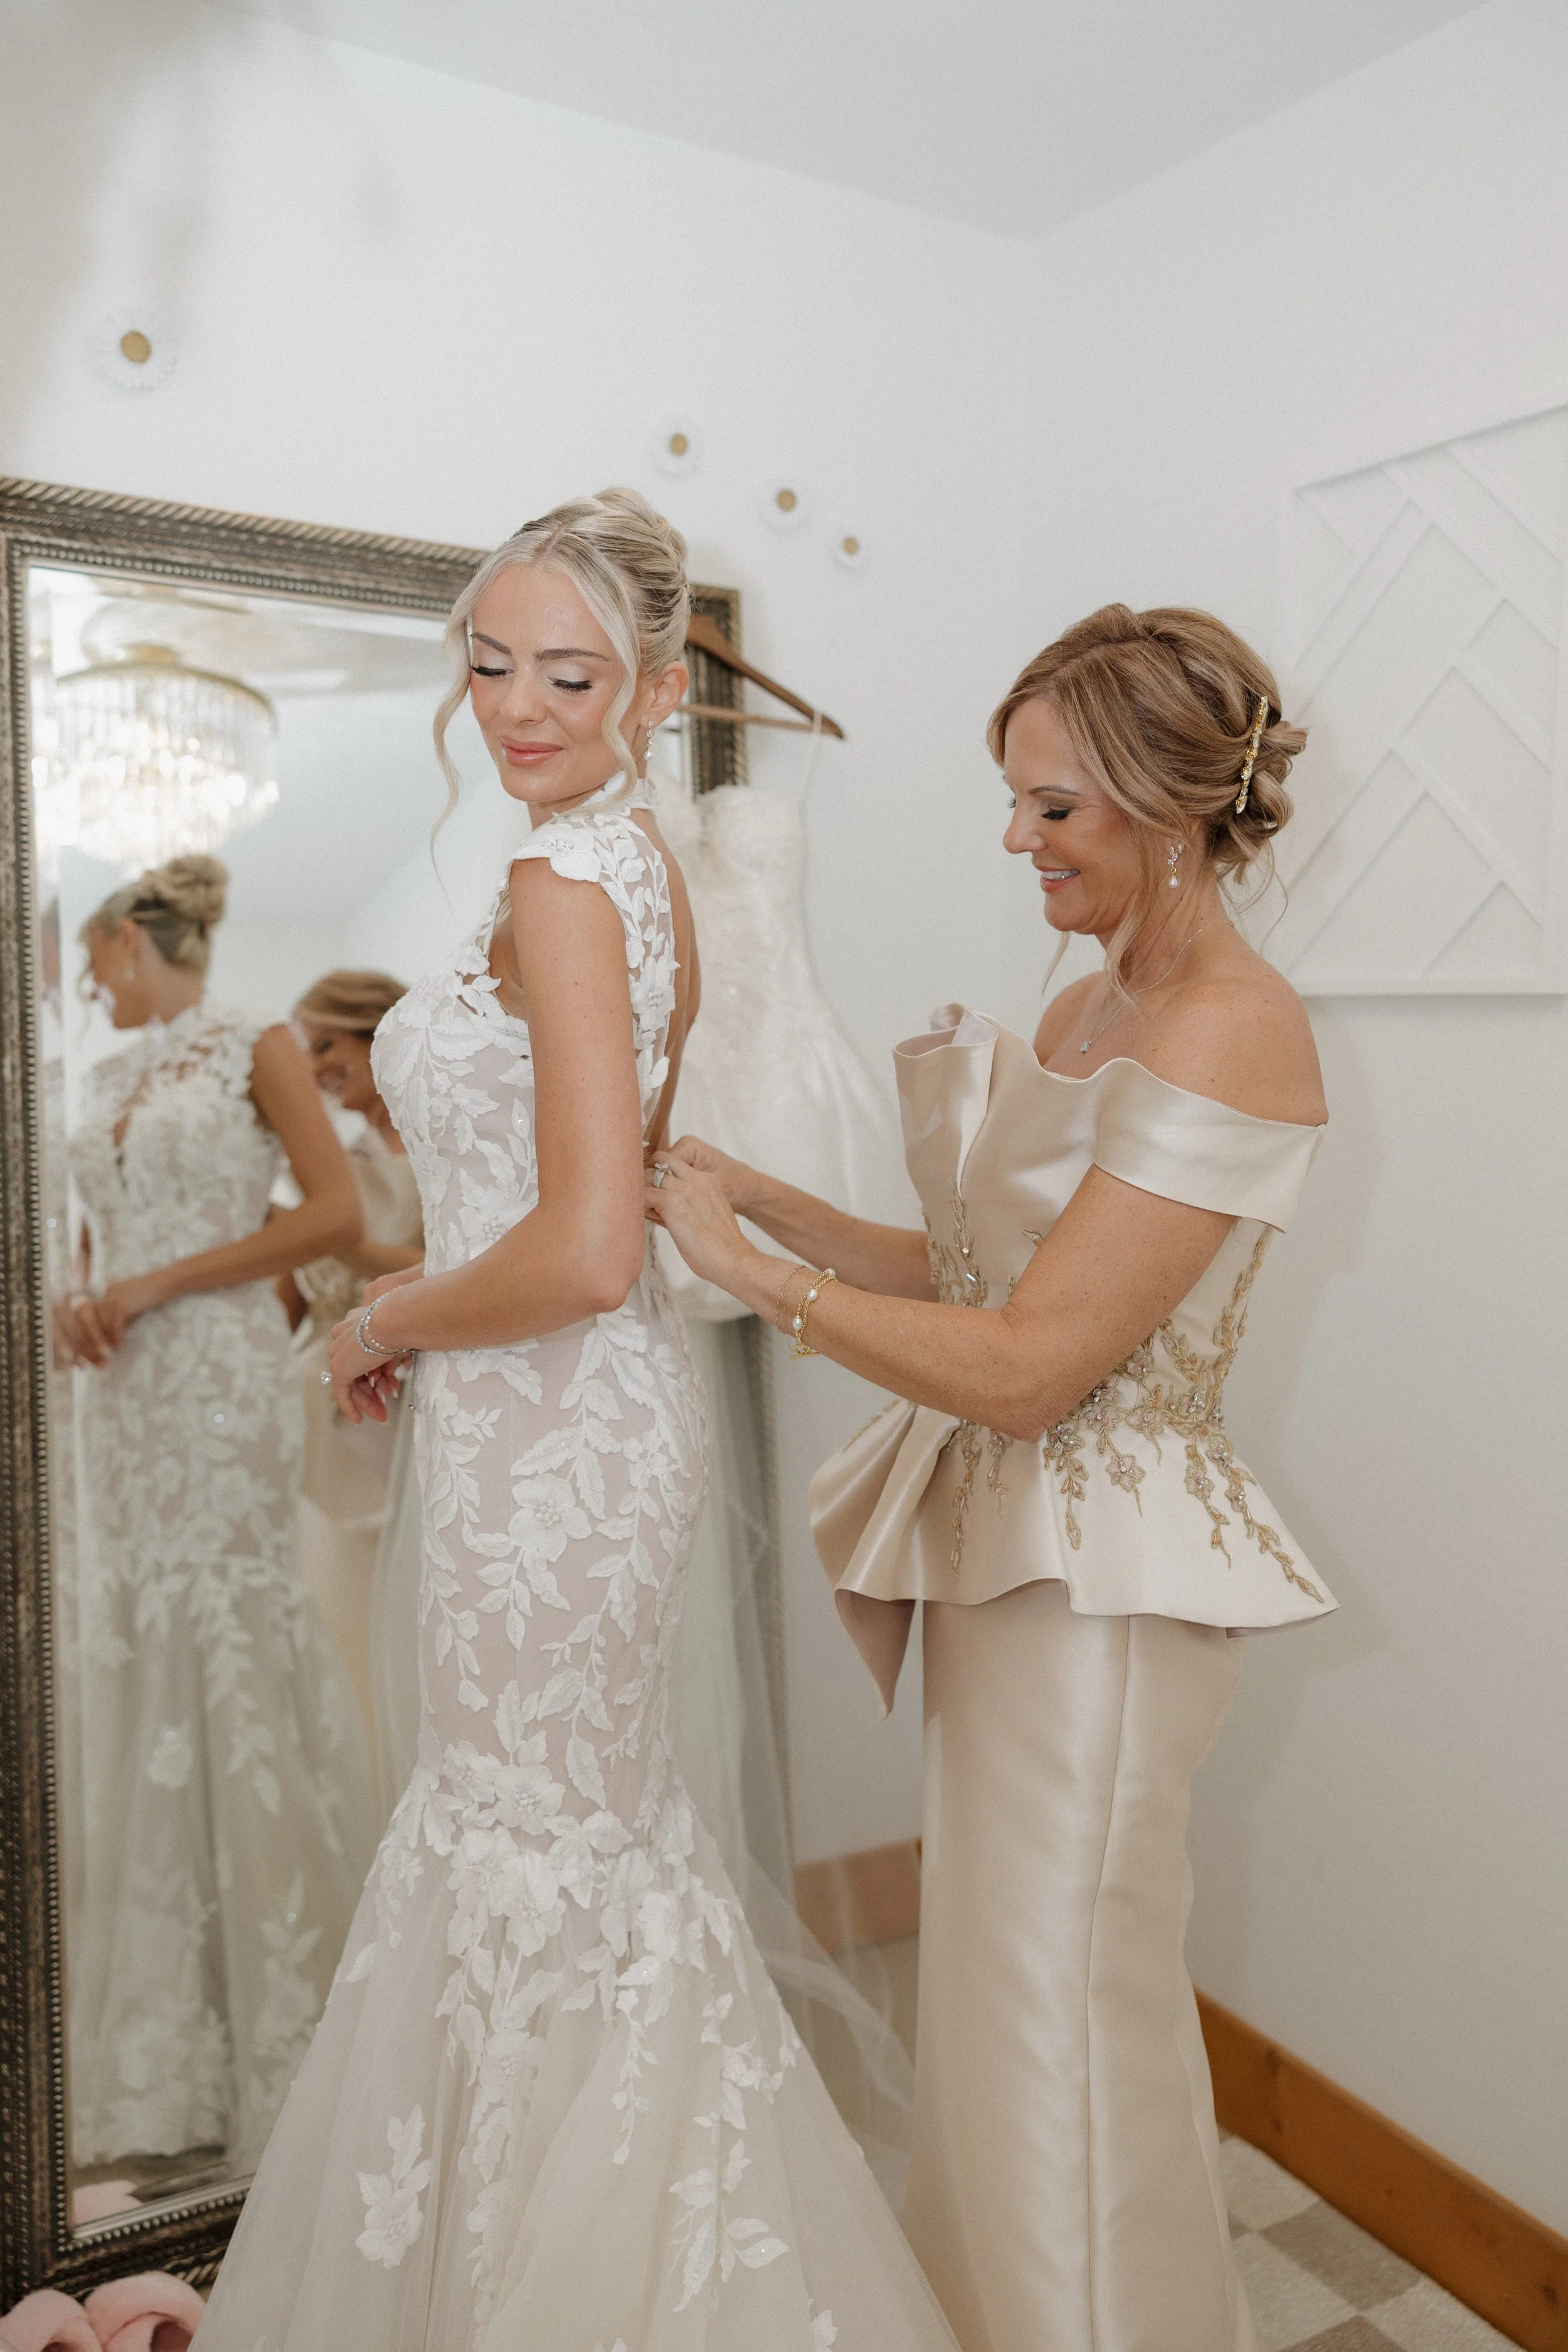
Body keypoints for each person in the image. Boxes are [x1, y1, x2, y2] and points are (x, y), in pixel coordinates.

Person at [196, 492, 959, 2352]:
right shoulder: (631, 868)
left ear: (646, 685)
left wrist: (375, 1312)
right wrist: (432, 1316)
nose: (519, 704)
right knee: (567, 1851)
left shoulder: (564, 883)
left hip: (550, 1437)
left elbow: (587, 1242)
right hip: (558, 1430)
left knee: (531, 1848)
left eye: (569, 671)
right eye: (488, 662)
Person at [645, 604, 1338, 2352]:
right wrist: (778, 1202)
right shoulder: (1092, 993)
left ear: (1165, 806)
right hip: (1007, 1577)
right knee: (999, 2011)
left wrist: (758, 1280)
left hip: (1110, 1601)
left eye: (1050, 808)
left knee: (1063, 2026)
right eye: (1015, 802)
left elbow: (1033, 1371)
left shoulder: (1236, 1028)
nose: (1015, 840)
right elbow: (992, 1279)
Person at [60, 856, 377, 2174]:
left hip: (219, 1378)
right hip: (126, 1398)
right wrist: (88, 1293)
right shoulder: (96, 1082)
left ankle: (290, 2025)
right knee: (141, 1649)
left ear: (133, 939)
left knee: (230, 1634)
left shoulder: (252, 1042)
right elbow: (100, 1228)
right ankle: (165, 2044)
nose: (82, 986)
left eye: (90, 958)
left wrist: (159, 1284)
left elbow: (337, 1212)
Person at [285, 969, 424, 1814]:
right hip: (323, 1421)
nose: (314, 1068)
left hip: (402, 1405)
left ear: (376, 1032)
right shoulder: (334, 1162)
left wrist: (345, 1242)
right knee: (339, 1629)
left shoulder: (438, 1138)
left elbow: (451, 1269)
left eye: (325, 1045)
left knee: (401, 1622)